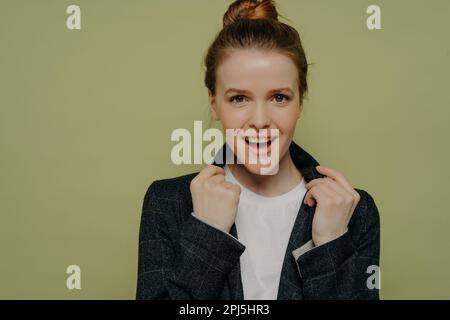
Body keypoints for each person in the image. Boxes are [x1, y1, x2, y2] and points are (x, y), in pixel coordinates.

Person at [136, 0, 380, 300]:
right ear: (214, 103)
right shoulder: (169, 202)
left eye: (279, 97)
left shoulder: (354, 210)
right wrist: (208, 234)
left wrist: (330, 243)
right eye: (239, 98)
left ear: (300, 101)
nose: (261, 121)